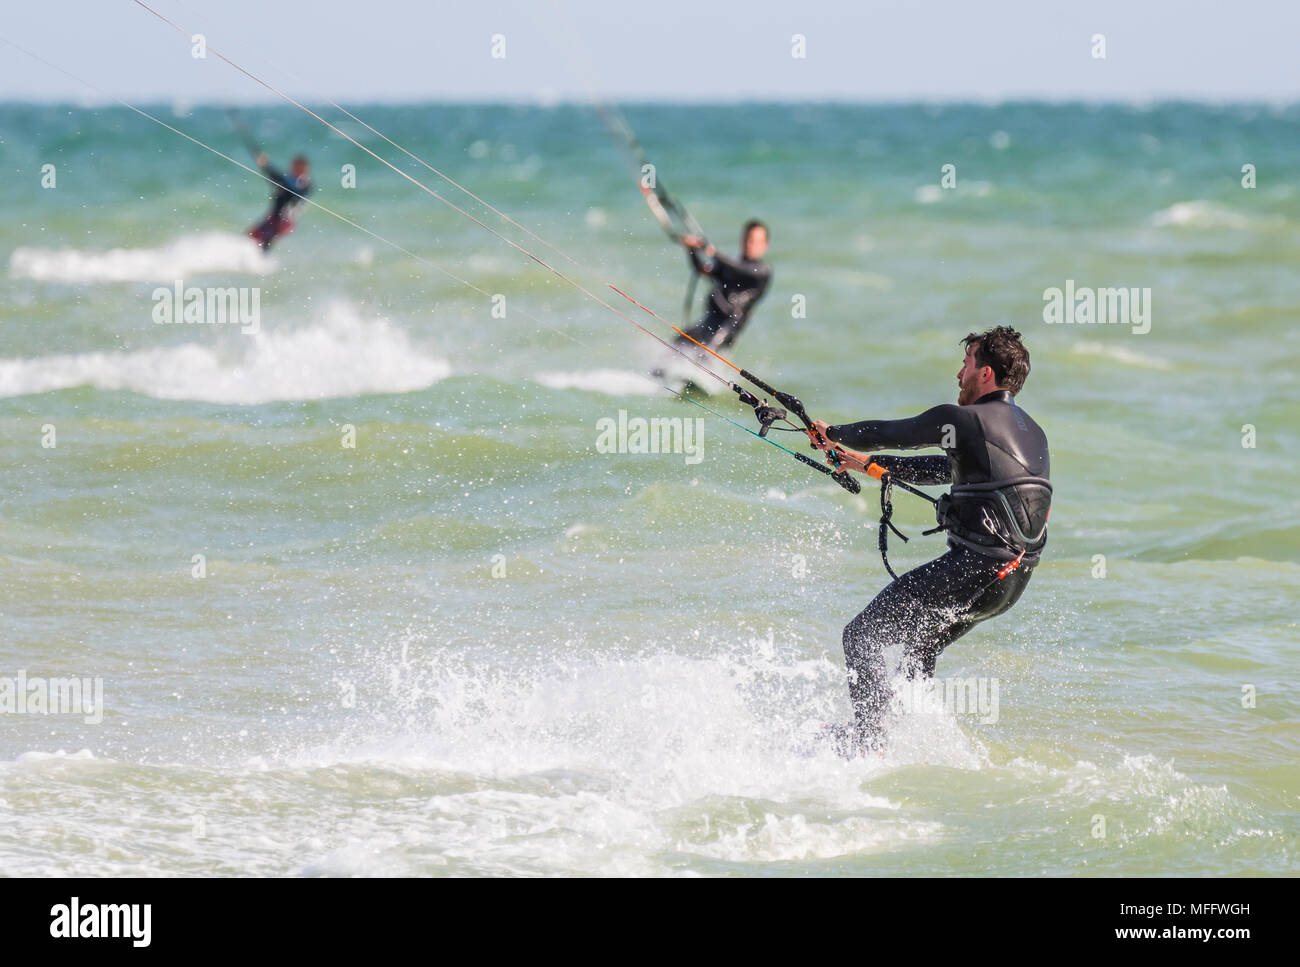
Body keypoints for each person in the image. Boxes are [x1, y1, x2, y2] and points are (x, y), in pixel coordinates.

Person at [808, 326, 1052, 753]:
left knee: (861, 637)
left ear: (987, 374)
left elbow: (896, 431)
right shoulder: (1031, 432)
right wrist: (866, 464)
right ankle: (910, 741)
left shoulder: (963, 419)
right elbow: (947, 469)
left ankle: (869, 744)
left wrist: (834, 432)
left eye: (967, 362)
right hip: (1011, 582)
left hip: (975, 567)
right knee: (919, 645)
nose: (959, 374)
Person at [676, 220, 772, 351]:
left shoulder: (762, 272)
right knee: (677, 343)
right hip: (708, 322)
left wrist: (713, 253)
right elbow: (702, 269)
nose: (749, 244)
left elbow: (739, 269)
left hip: (726, 329)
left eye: (754, 241)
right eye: (747, 239)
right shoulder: (730, 267)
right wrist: (692, 249)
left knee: (704, 354)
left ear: (765, 245)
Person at [248, 153, 311, 251]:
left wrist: (267, 165)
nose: (293, 169)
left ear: (304, 169)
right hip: (273, 218)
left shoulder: (305, 184)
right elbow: (276, 178)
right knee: (250, 238)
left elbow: (292, 189)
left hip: (284, 221)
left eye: (298, 167)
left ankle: (261, 261)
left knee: (264, 243)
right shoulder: (288, 179)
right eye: (293, 166)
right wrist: (265, 165)